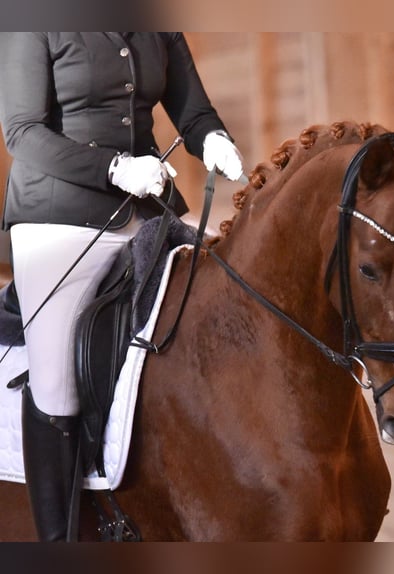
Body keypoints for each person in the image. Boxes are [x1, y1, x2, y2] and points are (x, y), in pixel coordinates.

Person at [0, 32, 245, 541]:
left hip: (147, 206)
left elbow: (192, 108)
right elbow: (22, 132)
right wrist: (113, 168)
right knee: (55, 380)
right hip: (59, 217)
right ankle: (57, 541)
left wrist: (212, 138)